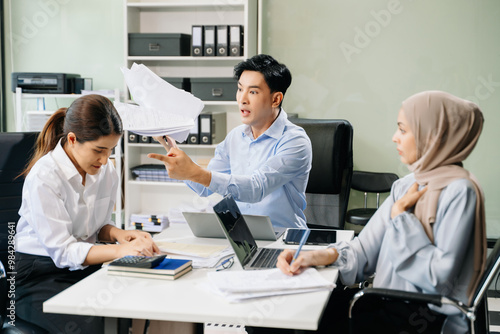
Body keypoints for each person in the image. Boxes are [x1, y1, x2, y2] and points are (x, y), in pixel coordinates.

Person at [276, 91, 486, 334]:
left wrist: (402, 220)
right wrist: (318, 257)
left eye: (403, 130)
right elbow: (363, 251)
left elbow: (437, 281)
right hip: (384, 303)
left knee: (292, 325)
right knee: (278, 316)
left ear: (433, 136)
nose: (395, 138)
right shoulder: (408, 185)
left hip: (422, 318)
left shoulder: (461, 191)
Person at [15, 94, 160, 333]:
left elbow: (98, 225)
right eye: (99, 150)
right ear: (72, 139)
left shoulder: (106, 171)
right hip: (39, 273)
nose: (105, 160)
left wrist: (118, 234)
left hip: (84, 265)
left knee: (134, 305)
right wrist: (120, 250)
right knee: (91, 325)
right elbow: (63, 251)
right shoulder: (45, 177)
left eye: (111, 150)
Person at [149, 54, 312, 229]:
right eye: (240, 89)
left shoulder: (295, 141)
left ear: (275, 99)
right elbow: (205, 188)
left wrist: (195, 172)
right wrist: (171, 147)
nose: (242, 99)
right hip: (243, 238)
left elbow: (256, 189)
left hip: (284, 239)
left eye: (253, 92)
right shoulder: (235, 137)